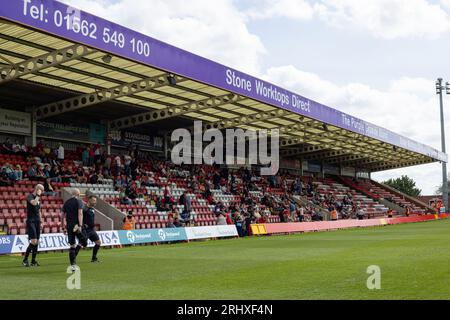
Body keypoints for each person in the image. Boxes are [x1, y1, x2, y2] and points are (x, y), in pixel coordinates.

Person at [61, 188, 86, 272]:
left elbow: (62, 216)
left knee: (72, 245)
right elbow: (80, 213)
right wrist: (80, 225)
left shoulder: (66, 202)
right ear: (78, 194)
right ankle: (75, 257)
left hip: (69, 225)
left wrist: (63, 226)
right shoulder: (79, 201)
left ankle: (73, 265)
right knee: (83, 241)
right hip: (76, 225)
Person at [22, 184, 45, 267]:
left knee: (37, 242)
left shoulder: (39, 199)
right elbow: (34, 203)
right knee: (34, 241)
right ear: (37, 189)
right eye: (41, 190)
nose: (42, 192)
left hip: (37, 221)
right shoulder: (30, 196)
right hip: (31, 221)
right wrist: (38, 195)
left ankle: (33, 261)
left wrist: (41, 222)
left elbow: (39, 211)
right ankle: (25, 260)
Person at [81, 196, 102, 263]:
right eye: (93, 200)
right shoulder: (84, 208)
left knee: (98, 242)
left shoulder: (92, 209)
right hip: (85, 230)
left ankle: (94, 258)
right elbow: (79, 216)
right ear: (89, 200)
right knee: (81, 244)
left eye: (95, 200)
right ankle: (73, 258)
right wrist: (82, 225)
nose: (95, 202)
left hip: (92, 230)